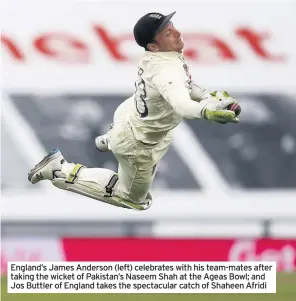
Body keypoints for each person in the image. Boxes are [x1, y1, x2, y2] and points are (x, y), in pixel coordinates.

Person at [28, 11, 240, 211]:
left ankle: (108, 141)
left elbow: (185, 85)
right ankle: (58, 170)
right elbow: (182, 105)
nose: (177, 33)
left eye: (172, 26)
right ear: (153, 46)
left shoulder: (162, 58)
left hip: (129, 119)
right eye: (168, 33)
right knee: (133, 199)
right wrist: (208, 111)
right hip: (139, 143)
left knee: (144, 137)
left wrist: (208, 97)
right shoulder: (167, 69)